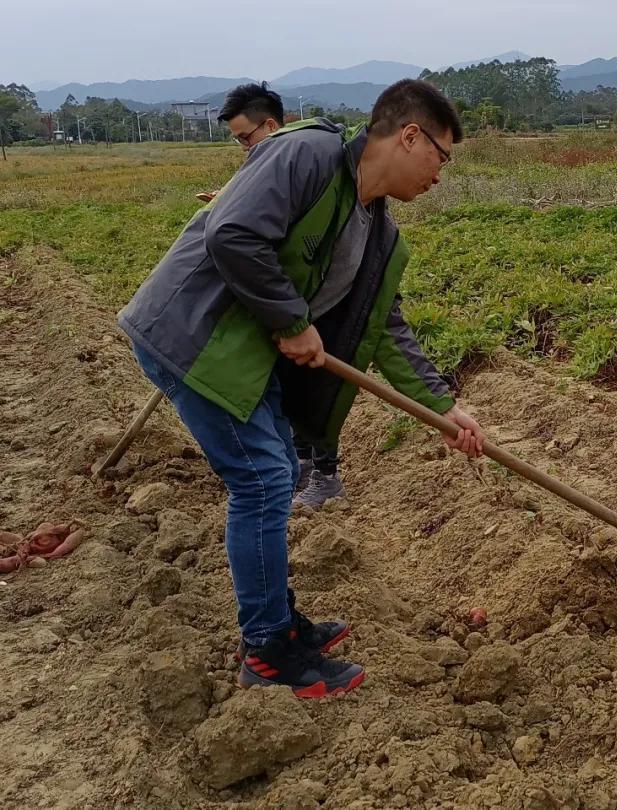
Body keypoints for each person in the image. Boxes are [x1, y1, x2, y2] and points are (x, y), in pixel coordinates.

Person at [119, 80, 485, 697]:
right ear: (409, 135)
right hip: (191, 339)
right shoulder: (309, 155)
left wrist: (446, 409)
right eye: (441, 157)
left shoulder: (377, 232)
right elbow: (231, 232)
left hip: (243, 359)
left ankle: (279, 625)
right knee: (261, 480)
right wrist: (291, 321)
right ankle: (266, 653)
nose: (440, 175)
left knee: (279, 470)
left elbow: (385, 327)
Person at [206, 82, 352, 509]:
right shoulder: (275, 167)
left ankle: (326, 474)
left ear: (270, 125)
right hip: (291, 302)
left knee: (319, 388)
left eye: (245, 138)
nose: (243, 148)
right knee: (291, 385)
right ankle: (303, 464)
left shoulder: (313, 162)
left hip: (316, 302)